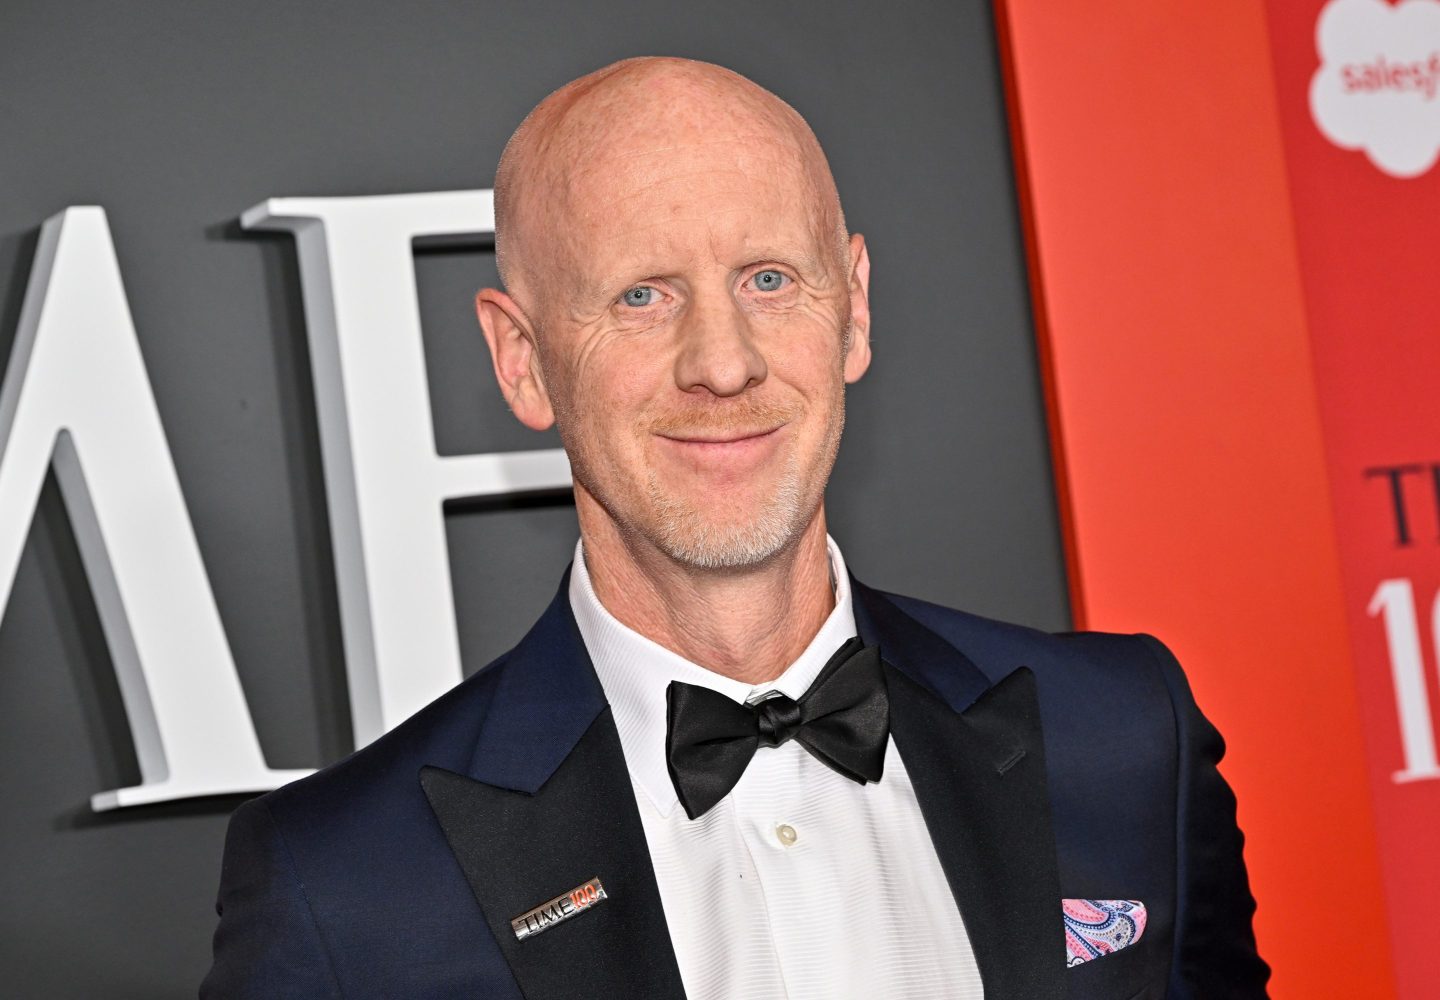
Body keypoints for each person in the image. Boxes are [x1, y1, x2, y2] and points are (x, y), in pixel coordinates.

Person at [201, 57, 1269, 999]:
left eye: (768, 279)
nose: (723, 362)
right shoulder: (347, 888)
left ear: (853, 307)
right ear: (522, 361)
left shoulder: (1122, 740)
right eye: (642, 296)